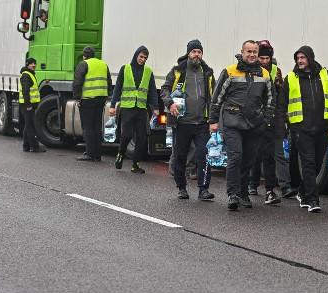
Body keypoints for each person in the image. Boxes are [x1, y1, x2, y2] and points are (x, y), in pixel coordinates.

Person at [209, 40, 273, 210]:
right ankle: (233, 194)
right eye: (249, 52)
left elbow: (270, 101)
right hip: (233, 123)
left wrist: (265, 121)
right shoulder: (230, 71)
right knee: (235, 157)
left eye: (255, 52)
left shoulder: (265, 74)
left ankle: (244, 193)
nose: (252, 55)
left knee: (248, 161)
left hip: (254, 125)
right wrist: (213, 121)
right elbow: (217, 98)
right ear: (242, 53)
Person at [278, 45, 328, 213]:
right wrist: (281, 127)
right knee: (308, 162)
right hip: (300, 128)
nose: (299, 61)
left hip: (322, 128)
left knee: (318, 163)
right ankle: (313, 200)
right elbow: (281, 105)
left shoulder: (325, 75)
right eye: (297, 58)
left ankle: (303, 191)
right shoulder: (291, 78)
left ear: (310, 58)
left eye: (302, 58)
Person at [160, 39, 216, 201]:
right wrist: (170, 104)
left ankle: (203, 189)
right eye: (194, 52)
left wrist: (213, 118)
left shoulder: (208, 72)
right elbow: (164, 89)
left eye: (199, 52)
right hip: (182, 122)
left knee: (204, 155)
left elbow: (213, 96)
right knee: (180, 155)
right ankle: (181, 188)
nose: (196, 55)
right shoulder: (178, 71)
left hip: (201, 123)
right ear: (188, 53)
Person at [252, 40, 292, 205]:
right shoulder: (252, 71)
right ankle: (252, 184)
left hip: (274, 118)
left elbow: (281, 96)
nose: (264, 61)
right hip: (257, 118)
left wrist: (283, 119)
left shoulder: (276, 71)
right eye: (261, 58)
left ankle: (284, 186)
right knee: (256, 154)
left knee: (277, 154)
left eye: (267, 58)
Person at [109, 45, 160, 174]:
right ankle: (120, 154)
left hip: (141, 109)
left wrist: (155, 107)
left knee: (142, 137)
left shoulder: (148, 71)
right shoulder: (125, 69)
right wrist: (112, 105)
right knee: (126, 135)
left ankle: (135, 165)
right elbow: (117, 88)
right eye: (141, 56)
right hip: (127, 107)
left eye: (145, 58)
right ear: (136, 55)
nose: (143, 59)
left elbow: (152, 91)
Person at [73, 46, 112, 162]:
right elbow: (109, 82)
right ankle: (97, 154)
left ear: (84, 55)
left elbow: (77, 82)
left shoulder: (83, 64)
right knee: (97, 127)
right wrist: (106, 96)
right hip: (101, 99)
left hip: (87, 99)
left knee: (88, 127)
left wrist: (77, 98)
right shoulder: (103, 64)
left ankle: (89, 153)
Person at [19, 57, 46, 153]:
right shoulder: (26, 75)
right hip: (27, 105)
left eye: (34, 63)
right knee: (30, 125)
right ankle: (34, 147)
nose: (34, 65)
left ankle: (26, 146)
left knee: (28, 125)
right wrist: (28, 104)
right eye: (31, 63)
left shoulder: (30, 74)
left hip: (29, 104)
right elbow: (25, 91)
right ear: (27, 64)